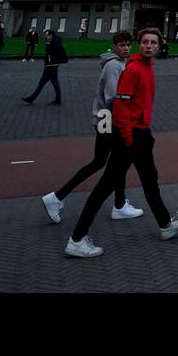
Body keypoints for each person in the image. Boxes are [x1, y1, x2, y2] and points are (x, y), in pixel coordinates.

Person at [65, 28, 178, 258]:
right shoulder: (133, 69)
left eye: (153, 42)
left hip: (142, 135)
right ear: (139, 45)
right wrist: (127, 137)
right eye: (144, 42)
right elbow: (121, 107)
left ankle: (165, 225)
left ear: (159, 46)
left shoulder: (147, 68)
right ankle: (77, 238)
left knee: (150, 180)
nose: (148, 46)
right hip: (131, 137)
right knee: (105, 187)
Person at [42, 30, 142, 224]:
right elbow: (114, 97)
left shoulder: (120, 64)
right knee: (110, 162)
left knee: (109, 162)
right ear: (115, 46)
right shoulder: (114, 66)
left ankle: (119, 204)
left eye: (128, 45)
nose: (126, 48)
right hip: (109, 119)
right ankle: (57, 197)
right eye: (122, 45)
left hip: (106, 118)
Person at [22, 29, 65, 105]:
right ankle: (58, 99)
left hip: (51, 66)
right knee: (55, 82)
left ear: (51, 35)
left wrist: (55, 61)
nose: (45, 36)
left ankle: (32, 98)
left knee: (42, 82)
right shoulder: (52, 42)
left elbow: (57, 53)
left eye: (47, 35)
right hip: (51, 65)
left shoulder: (55, 43)